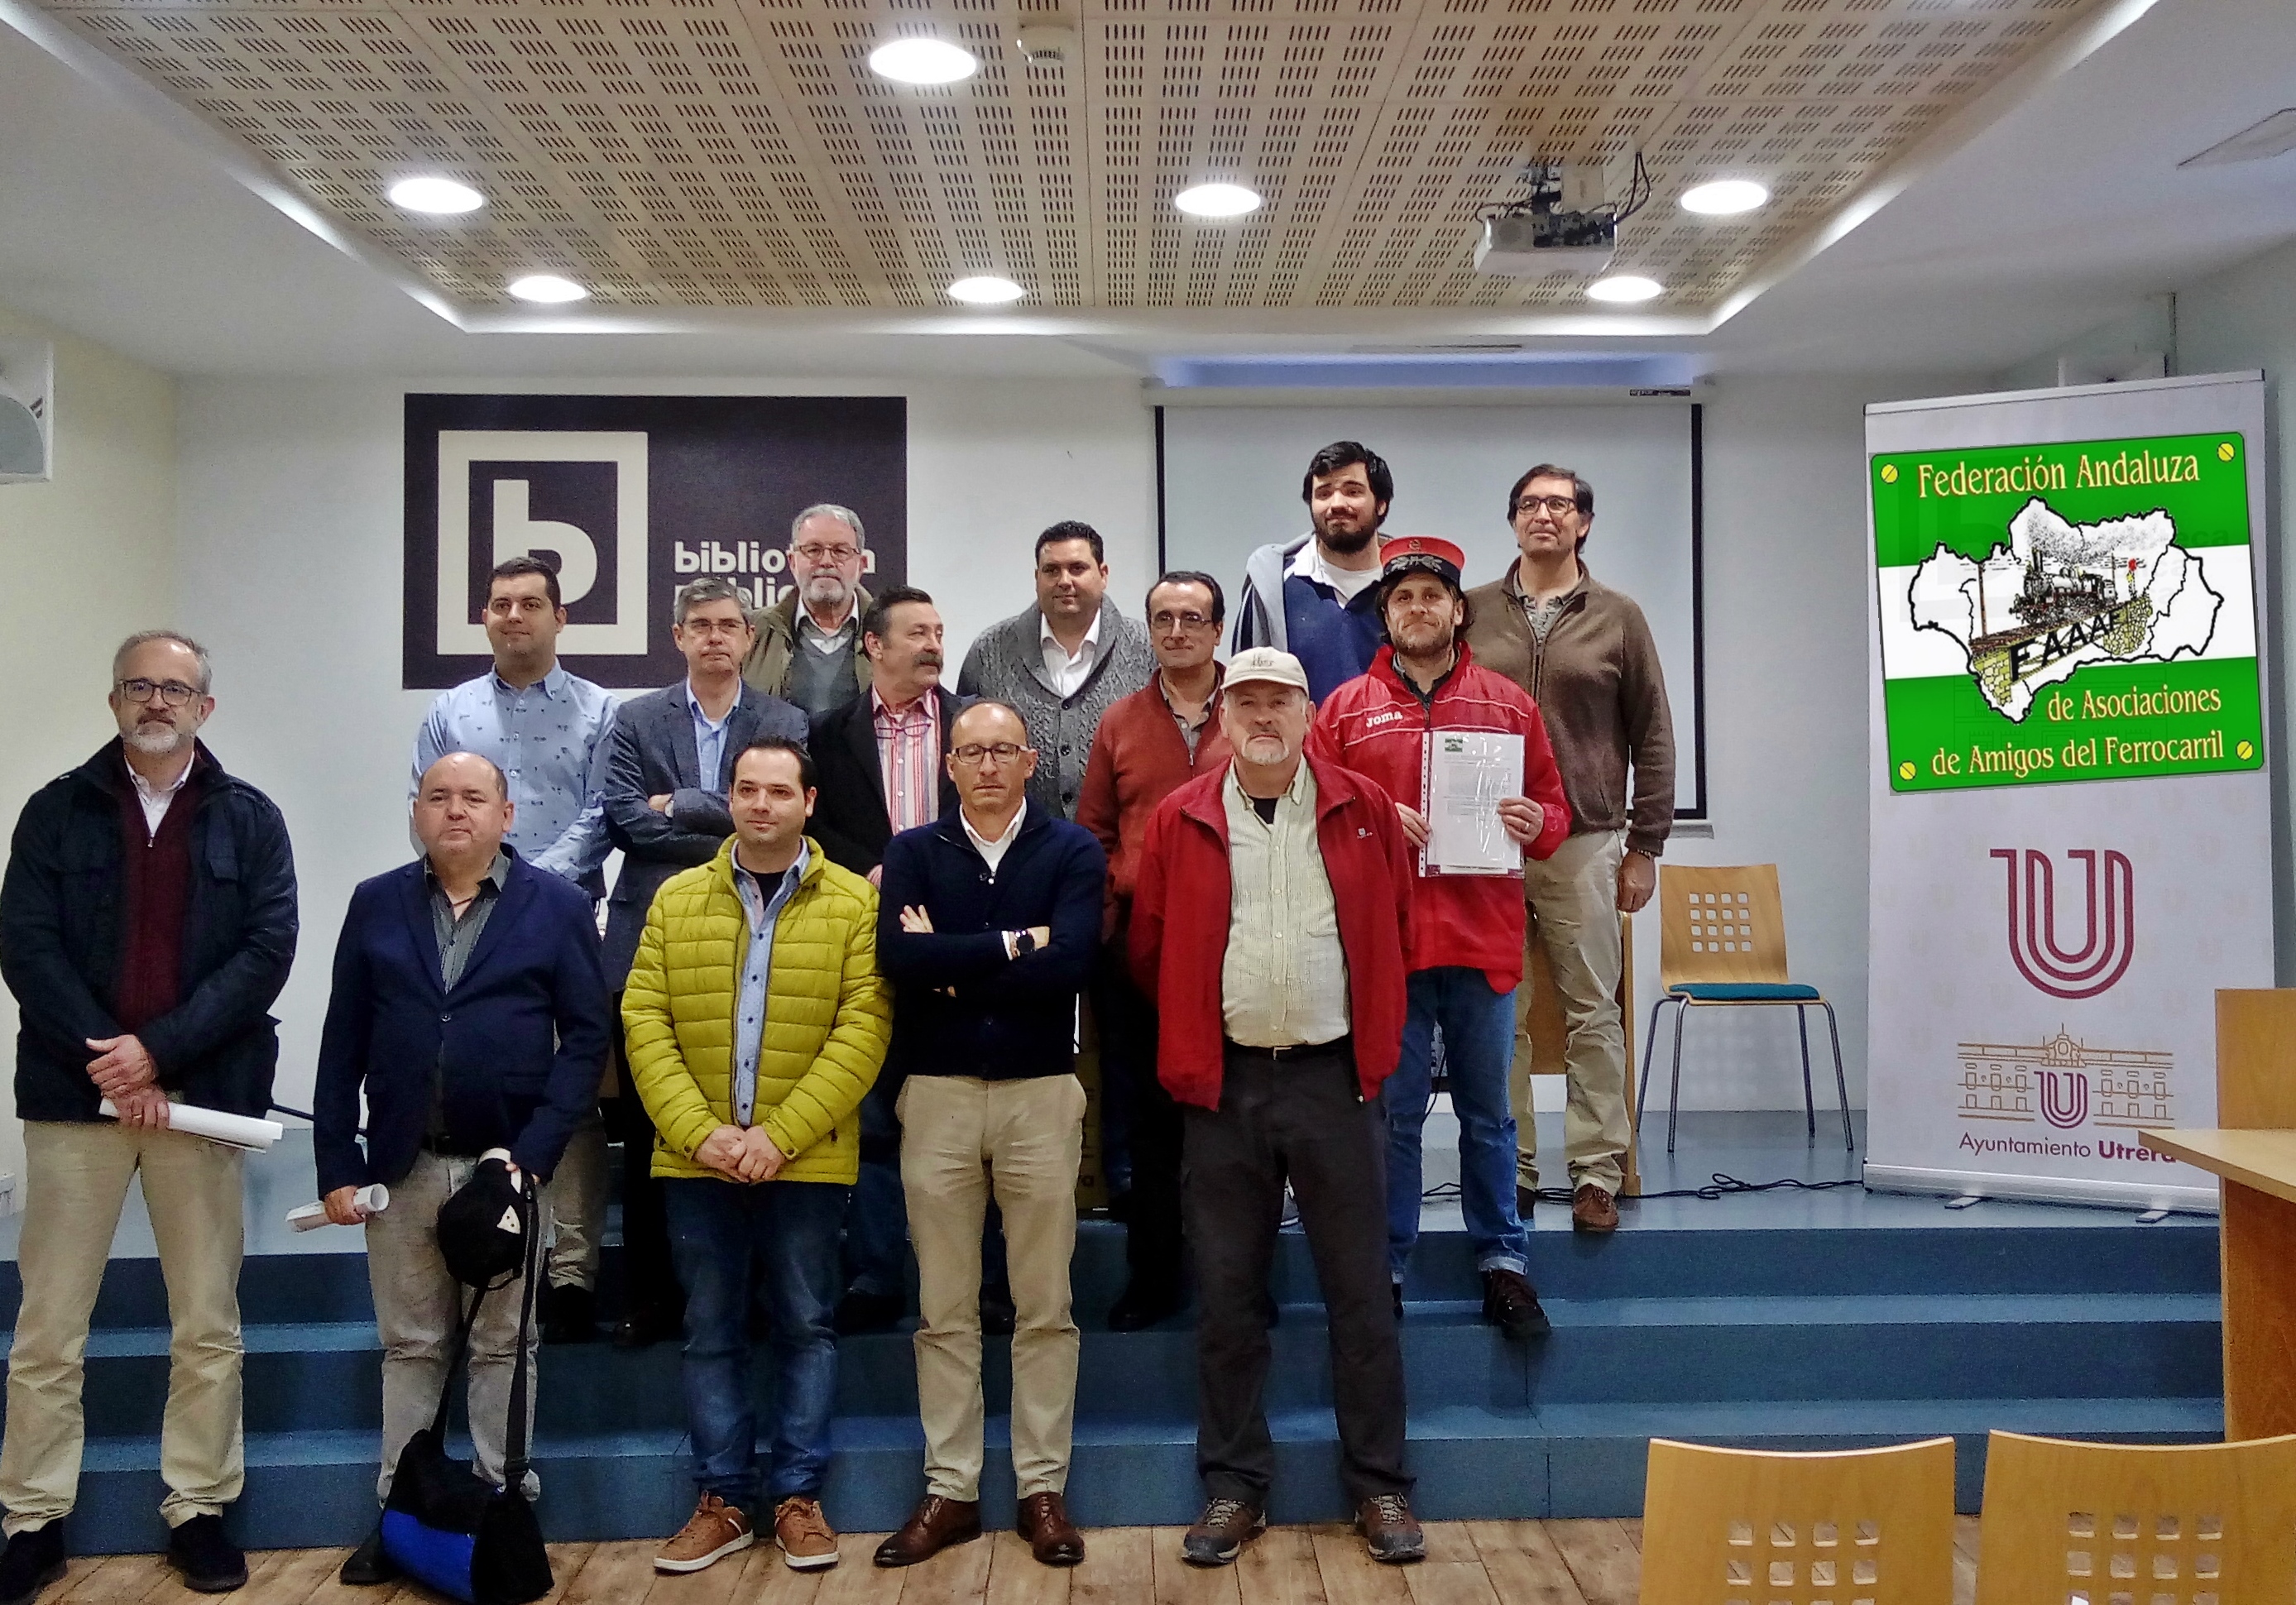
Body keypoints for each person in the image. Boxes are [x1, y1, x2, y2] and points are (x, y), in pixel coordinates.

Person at [0, 632, 297, 1603]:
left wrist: (157, 1051)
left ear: (205, 707)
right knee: (49, 1324)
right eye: (140, 684)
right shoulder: (56, 810)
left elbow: (266, 952)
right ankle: (32, 1517)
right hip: (73, 1095)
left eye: (175, 687)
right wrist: (111, 1053)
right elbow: (27, 945)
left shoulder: (249, 817)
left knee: (206, 1319)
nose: (157, 700)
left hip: (198, 1097)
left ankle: (198, 1506)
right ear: (115, 700)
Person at [1128, 648, 1425, 1569]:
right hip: (1226, 1085)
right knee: (1226, 1296)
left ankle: (1378, 1482)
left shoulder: (1364, 809)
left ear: (1307, 715)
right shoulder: (1181, 816)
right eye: (1246, 701)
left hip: (1337, 1081)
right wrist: (1197, 1037)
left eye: (1280, 702)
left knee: (1360, 1292)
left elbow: (1401, 927)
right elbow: (1150, 946)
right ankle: (1233, 1484)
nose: (1263, 716)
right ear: (1222, 717)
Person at [314, 752, 611, 1588]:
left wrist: (536, 1153)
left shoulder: (556, 906)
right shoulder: (376, 903)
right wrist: (336, 1161)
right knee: (411, 1346)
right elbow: (342, 1039)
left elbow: (586, 1038)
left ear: (505, 815)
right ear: (416, 812)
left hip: (506, 1167)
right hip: (401, 1166)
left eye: (473, 797)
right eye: (437, 796)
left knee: (502, 1349)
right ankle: (400, 1517)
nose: (454, 810)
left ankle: (498, 1512)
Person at [623, 737, 891, 1575]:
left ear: (809, 802)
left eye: (779, 791)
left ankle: (798, 1497)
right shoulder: (675, 898)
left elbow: (864, 1027)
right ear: (730, 799)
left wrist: (780, 1135)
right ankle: (724, 1500)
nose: (762, 804)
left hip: (804, 1160)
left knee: (806, 1325)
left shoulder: (854, 903)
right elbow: (644, 1019)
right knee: (709, 1329)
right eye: (747, 789)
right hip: (695, 1159)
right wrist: (699, 1131)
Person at [1307, 538, 1571, 1337]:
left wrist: (1534, 820)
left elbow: (1554, 814)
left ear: (1458, 610)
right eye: (1402, 598)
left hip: (1481, 942)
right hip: (1387, 950)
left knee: (1490, 1115)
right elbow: (1314, 817)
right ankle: (1385, 1266)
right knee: (1393, 1117)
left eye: (1432, 596)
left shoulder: (1508, 706)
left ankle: (1502, 1262)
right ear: (1384, 616)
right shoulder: (1343, 711)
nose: (1417, 609)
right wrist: (1373, 819)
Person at [870, 703, 1105, 1571]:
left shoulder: (1072, 850)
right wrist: (1015, 945)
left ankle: (1042, 1489)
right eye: (971, 752)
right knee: (944, 1309)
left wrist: (956, 961)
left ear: (1030, 760)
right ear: (951, 765)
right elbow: (901, 961)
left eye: (1003, 749)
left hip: (1041, 1092)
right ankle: (953, 1489)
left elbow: (1072, 962)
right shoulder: (913, 851)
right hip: (936, 1095)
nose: (988, 765)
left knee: (1045, 1305)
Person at [412, 553, 617, 1344]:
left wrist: (528, 886)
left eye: (531, 604)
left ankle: (572, 1271)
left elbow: (603, 812)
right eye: (500, 604)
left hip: (566, 918)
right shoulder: (451, 711)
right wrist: (489, 883)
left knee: (576, 1092)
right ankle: (487, 1238)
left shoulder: (601, 710)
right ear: (485, 618)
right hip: (464, 919)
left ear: (560, 617)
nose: (514, 616)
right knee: (490, 1078)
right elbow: (428, 806)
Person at [1464, 465, 1675, 1234]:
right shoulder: (1470, 611)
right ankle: (1512, 1168)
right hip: (1485, 845)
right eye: (1529, 504)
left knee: (1593, 1013)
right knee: (1502, 1017)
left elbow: (1653, 733)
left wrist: (1644, 844)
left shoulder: (1618, 616)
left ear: (1583, 522)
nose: (1543, 515)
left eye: (1558, 504)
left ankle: (1595, 1172)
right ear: (1512, 520)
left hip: (1585, 841)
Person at [601, 577, 810, 1346]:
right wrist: (726, 822)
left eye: (729, 624)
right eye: (701, 625)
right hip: (654, 935)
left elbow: (778, 824)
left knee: (751, 1125)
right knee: (651, 1134)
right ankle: (653, 1296)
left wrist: (679, 803)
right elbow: (626, 822)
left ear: (749, 638)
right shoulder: (634, 719)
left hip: (761, 938)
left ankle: (752, 1299)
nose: (716, 636)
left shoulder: (784, 720)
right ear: (678, 636)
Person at [1076, 571, 1233, 1331]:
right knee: (1151, 1119)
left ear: (1217, 629)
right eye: (1163, 618)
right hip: (1142, 944)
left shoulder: (1253, 709)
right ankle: (1153, 1278)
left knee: (1234, 1122)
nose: (1177, 631)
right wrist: (1114, 917)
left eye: (1192, 618)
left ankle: (1237, 1283)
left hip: (1240, 942)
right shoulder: (1121, 721)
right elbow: (1095, 831)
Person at [807, 586, 964, 1336]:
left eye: (938, 632)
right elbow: (817, 830)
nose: (933, 645)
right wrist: (875, 871)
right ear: (873, 645)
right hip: (865, 948)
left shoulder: (974, 725)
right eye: (917, 633)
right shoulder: (827, 733)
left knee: (964, 1125)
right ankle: (874, 1277)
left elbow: (1003, 818)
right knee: (871, 1123)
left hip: (959, 947)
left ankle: (972, 1279)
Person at [956, 522, 1153, 820]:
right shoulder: (990, 651)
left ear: (1103, 574)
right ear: (1036, 577)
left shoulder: (1146, 648)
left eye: (1077, 568)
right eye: (1051, 570)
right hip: (1018, 842)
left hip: (1123, 841)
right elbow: (963, 748)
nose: (1064, 581)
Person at [1232, 441, 1392, 702]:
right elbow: (1246, 693)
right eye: (1324, 493)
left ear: (1381, 504)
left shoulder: (1407, 585)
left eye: (1353, 491)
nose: (1337, 504)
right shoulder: (1273, 585)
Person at [744, 505, 872, 721]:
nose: (826, 562)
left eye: (840, 551)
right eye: (813, 550)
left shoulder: (887, 631)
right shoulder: (752, 631)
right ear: (792, 562)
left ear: (862, 564)